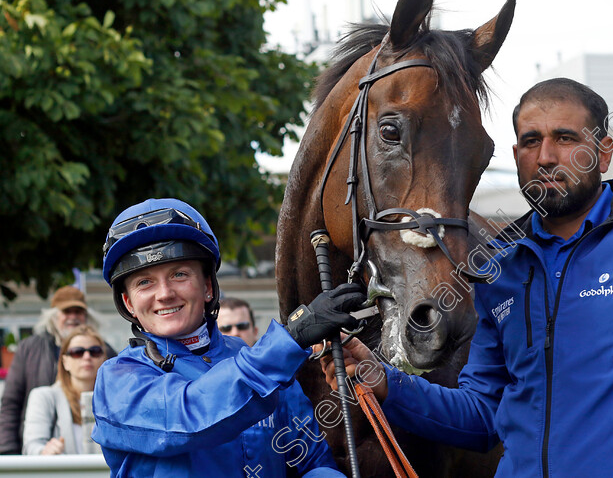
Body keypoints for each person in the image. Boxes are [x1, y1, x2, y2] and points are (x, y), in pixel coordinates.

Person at [320, 78, 613, 477]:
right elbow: (481, 415)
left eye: (566, 138)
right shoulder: (499, 268)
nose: (547, 156)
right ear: (516, 156)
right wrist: (385, 383)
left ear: (603, 151)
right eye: (531, 141)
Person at [92, 198, 366, 476]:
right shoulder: (117, 381)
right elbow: (189, 418)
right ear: (128, 303)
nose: (164, 293)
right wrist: (291, 338)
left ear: (208, 287)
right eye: (145, 282)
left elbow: (310, 462)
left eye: (179, 274)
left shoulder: (260, 359)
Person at [0, 286, 115, 454]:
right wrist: (8, 452)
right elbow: (11, 403)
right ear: (54, 316)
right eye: (67, 311)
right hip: (41, 445)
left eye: (78, 311)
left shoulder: (105, 349)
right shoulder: (30, 348)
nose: (73, 317)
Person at [22, 325, 107, 455]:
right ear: (65, 361)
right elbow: (31, 446)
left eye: (95, 351)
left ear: (103, 359)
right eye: (77, 352)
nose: (87, 357)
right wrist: (44, 451)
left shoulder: (114, 400)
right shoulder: (43, 396)